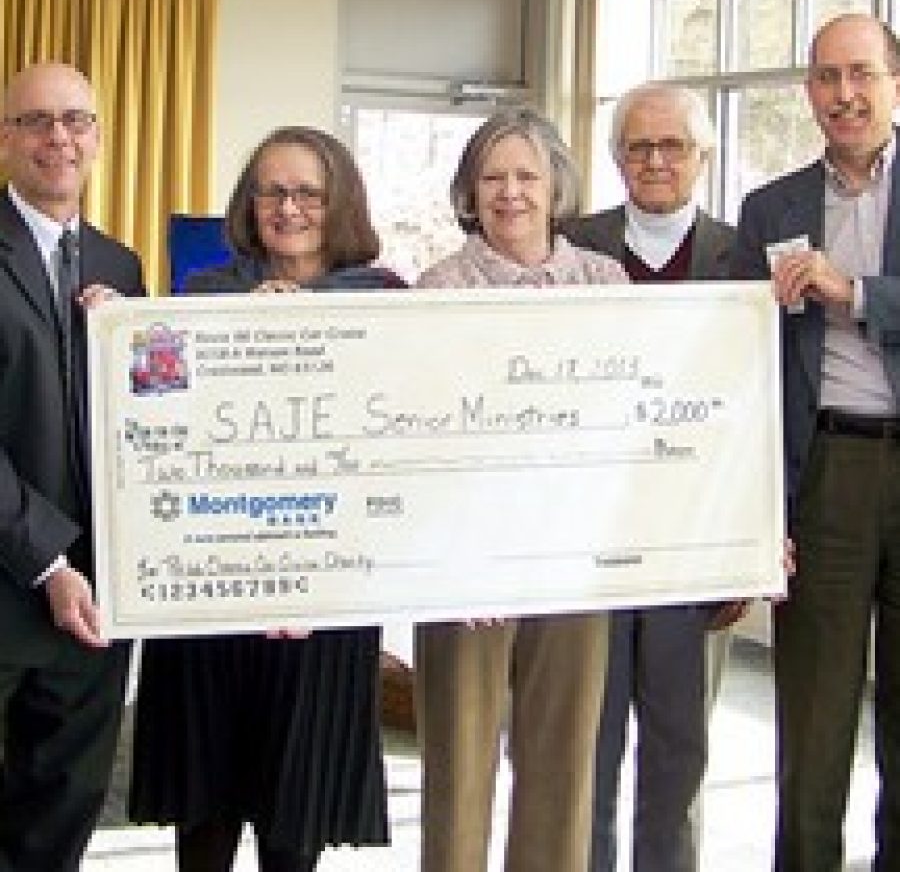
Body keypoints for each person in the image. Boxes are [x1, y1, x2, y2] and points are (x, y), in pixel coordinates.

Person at [130, 126, 398, 872]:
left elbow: (397, 436)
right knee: (205, 817)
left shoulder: (385, 302)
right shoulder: (202, 296)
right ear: (250, 202)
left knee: (294, 821)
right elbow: (159, 424)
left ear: (338, 199)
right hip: (212, 594)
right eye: (272, 191)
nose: (289, 208)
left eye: (308, 192)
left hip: (324, 599)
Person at [414, 107, 626, 872]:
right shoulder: (436, 289)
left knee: (563, 766)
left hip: (574, 556)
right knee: (459, 769)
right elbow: (418, 435)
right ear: (469, 192)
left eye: (526, 176)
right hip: (465, 567)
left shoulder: (606, 282)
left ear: (556, 186)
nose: (510, 193)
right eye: (492, 178)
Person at [733, 13, 900, 869]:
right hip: (824, 474)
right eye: (828, 78)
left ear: (894, 83)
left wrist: (857, 291)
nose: (845, 95)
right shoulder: (771, 208)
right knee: (814, 721)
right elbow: (740, 366)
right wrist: (760, 508)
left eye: (861, 74)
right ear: (808, 93)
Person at [564, 83, 741, 872]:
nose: (655, 160)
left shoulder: (744, 256)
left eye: (673, 146)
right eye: (638, 146)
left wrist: (751, 545)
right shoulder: (570, 246)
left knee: (678, 753)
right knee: (585, 751)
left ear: (702, 156)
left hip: (693, 546)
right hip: (587, 547)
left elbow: (760, 406)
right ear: (616, 157)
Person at [0, 63, 144, 870]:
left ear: (96, 137)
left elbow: (149, 427)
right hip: (13, 582)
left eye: (76, 120)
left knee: (59, 818)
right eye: (37, 120)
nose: (59, 137)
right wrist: (47, 559)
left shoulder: (121, 270)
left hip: (95, 602)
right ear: (5, 139)